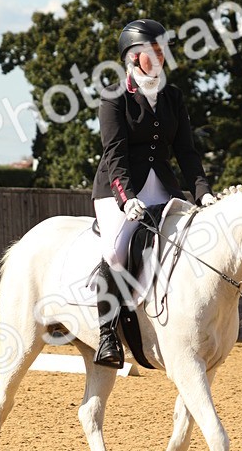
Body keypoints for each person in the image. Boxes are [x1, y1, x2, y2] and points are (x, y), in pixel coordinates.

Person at [90, 18, 217, 368]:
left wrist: (203, 192)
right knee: (117, 253)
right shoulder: (114, 98)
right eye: (152, 53)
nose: (160, 59)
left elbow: (187, 152)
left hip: (162, 186)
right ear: (133, 58)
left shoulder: (173, 97)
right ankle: (107, 336)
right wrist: (126, 197)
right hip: (119, 190)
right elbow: (114, 153)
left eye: (162, 52)